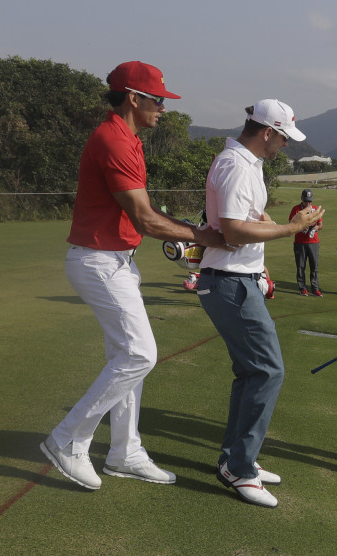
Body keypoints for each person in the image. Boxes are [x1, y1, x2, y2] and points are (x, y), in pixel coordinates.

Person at [40, 61, 229, 490]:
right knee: (140, 354)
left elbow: (145, 212)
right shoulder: (114, 139)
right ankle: (67, 439)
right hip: (98, 261)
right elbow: (144, 219)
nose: (163, 107)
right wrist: (204, 236)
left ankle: (124, 452)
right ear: (134, 97)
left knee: (125, 359)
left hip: (117, 260)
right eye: (158, 99)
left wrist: (189, 232)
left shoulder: (129, 138)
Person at [197, 99, 323, 508]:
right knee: (268, 371)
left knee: (250, 372)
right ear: (267, 132)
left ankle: (236, 459)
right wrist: (292, 228)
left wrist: (272, 221)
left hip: (237, 280)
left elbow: (248, 215)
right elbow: (232, 231)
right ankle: (240, 468)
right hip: (232, 283)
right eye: (283, 138)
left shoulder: (248, 164)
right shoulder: (235, 165)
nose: (285, 145)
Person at [290, 189, 323, 296]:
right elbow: (291, 224)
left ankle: (315, 288)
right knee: (301, 266)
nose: (308, 204)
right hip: (300, 242)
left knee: (314, 266)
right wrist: (301, 228)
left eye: (309, 201)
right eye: (306, 201)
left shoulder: (315, 209)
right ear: (302, 199)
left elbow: (320, 224)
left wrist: (315, 229)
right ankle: (302, 288)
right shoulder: (296, 209)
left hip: (313, 241)